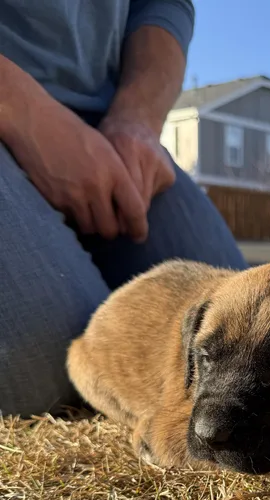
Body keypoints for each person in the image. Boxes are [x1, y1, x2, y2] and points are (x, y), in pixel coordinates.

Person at [0, 1, 249, 418]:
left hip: (110, 120)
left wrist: (138, 118)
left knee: (239, 326)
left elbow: (163, 4)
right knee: (40, 372)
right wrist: (22, 110)